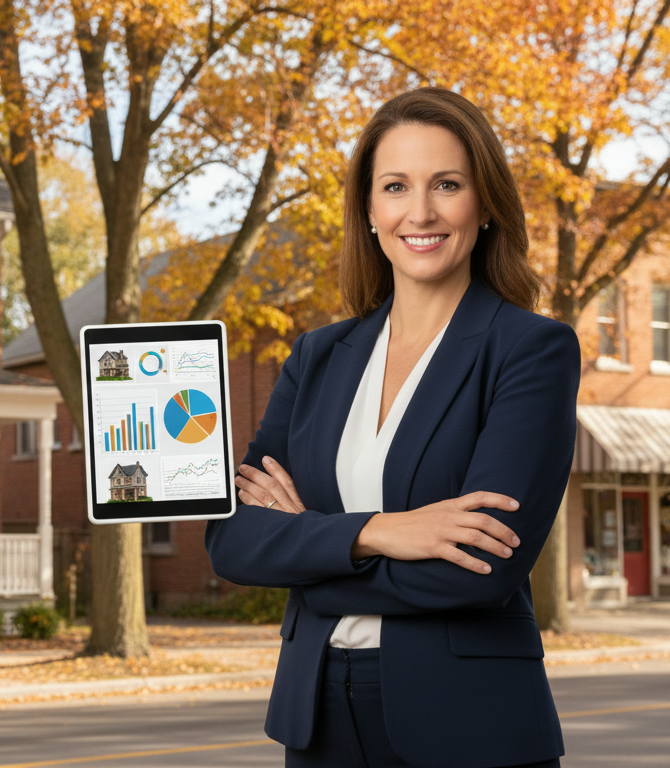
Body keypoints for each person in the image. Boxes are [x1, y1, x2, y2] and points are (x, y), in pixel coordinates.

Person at [205, 87, 578, 768]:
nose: (421, 211)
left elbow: (479, 571)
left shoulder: (531, 350)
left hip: (469, 723)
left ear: (485, 202)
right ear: (370, 210)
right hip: (317, 719)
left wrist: (306, 550)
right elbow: (233, 540)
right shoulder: (318, 356)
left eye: (448, 184)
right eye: (396, 186)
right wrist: (381, 531)